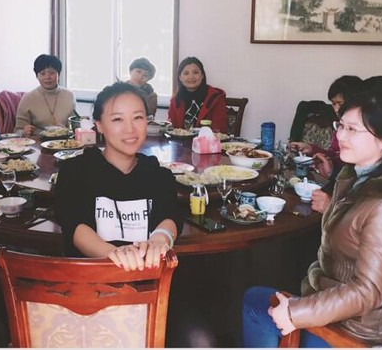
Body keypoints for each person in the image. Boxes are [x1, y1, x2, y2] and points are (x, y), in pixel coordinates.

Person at [242, 84, 382, 348]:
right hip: (340, 309)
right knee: (264, 291)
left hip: (359, 334)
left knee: (256, 304)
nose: (341, 136)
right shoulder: (357, 177)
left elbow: (368, 292)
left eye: (353, 129)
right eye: (341, 126)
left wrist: (295, 313)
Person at [54, 82, 215, 347]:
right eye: (117, 119)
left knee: (200, 340)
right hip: (91, 289)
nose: (130, 129)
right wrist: (114, 255)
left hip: (152, 287)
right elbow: (74, 224)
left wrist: (160, 239)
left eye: (138, 118)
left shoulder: (158, 174)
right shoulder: (76, 171)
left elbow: (170, 215)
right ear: (99, 125)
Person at [288, 75, 363, 213]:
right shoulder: (340, 126)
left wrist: (332, 174)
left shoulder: (363, 134)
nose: (336, 109)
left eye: (340, 103)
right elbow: (335, 155)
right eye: (333, 104)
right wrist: (311, 149)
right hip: (336, 188)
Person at [15, 54, 76, 136]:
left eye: (52, 73)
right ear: (37, 76)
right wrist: (24, 131)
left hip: (64, 141)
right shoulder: (28, 98)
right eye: (42, 73)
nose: (47, 77)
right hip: (38, 142)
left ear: (59, 74)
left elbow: (74, 126)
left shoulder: (69, 96)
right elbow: (18, 131)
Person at [168, 56, 227, 132]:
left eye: (195, 72)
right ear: (180, 77)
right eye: (186, 73)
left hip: (208, 139)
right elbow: (170, 129)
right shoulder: (175, 100)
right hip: (180, 139)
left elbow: (219, 130)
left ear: (202, 75)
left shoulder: (215, 98)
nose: (191, 77)